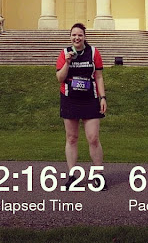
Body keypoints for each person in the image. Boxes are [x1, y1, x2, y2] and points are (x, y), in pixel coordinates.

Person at [56, 22, 108, 190]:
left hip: (89, 98)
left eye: (80, 35)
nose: (77, 38)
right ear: (70, 37)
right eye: (74, 35)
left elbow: (98, 76)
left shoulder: (93, 52)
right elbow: (60, 78)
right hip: (70, 98)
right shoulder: (64, 53)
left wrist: (102, 97)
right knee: (71, 138)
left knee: (93, 138)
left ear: (84, 37)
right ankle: (72, 176)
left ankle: (98, 175)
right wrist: (67, 62)